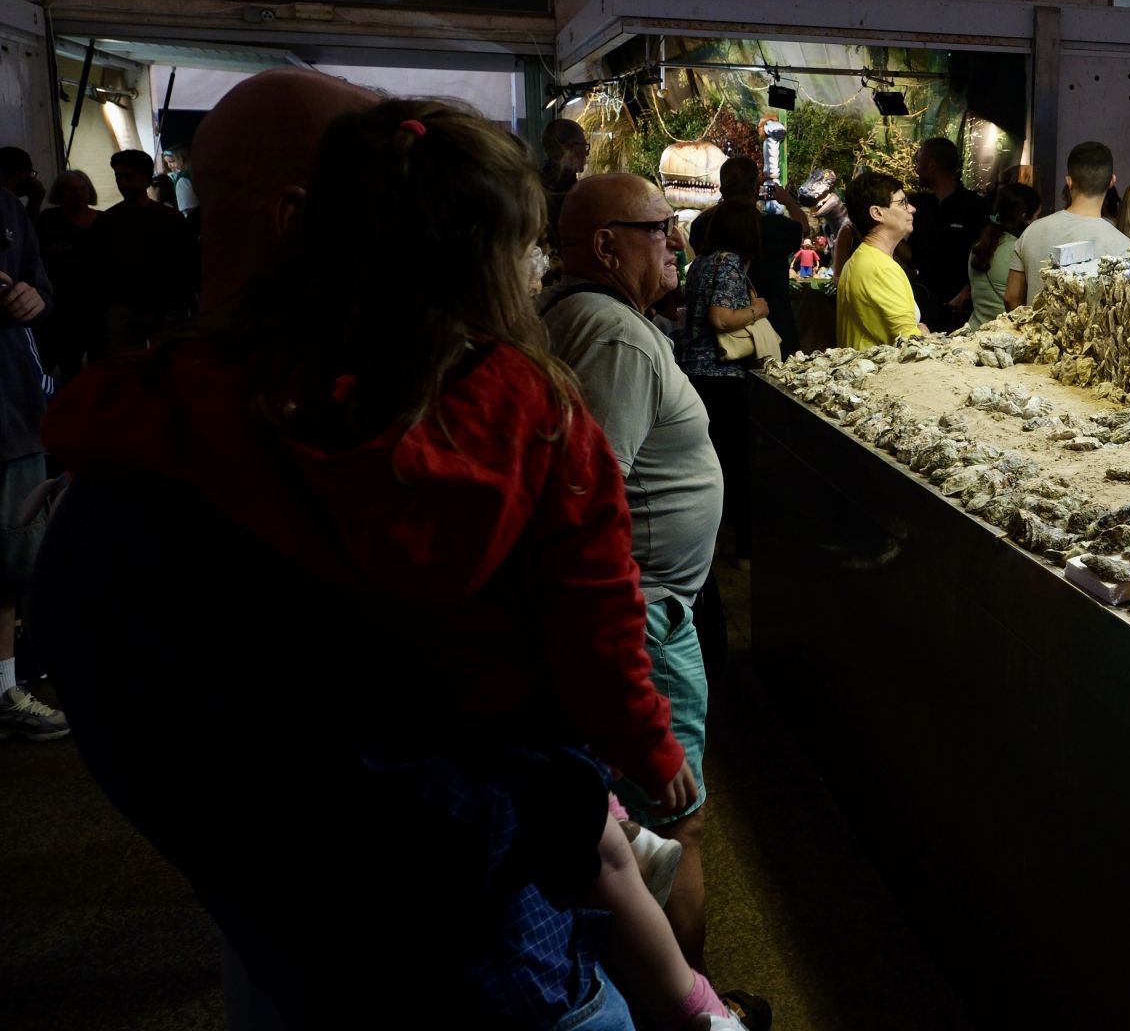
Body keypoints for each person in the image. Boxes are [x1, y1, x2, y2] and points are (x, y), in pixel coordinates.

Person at [34, 73, 724, 1030]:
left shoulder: (175, 431)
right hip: (478, 955)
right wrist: (569, 790)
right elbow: (586, 625)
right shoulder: (530, 411)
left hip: (321, 951)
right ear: (302, 221)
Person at [540, 172, 726, 976]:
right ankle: (686, 1000)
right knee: (676, 821)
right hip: (645, 615)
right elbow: (590, 504)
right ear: (607, 245)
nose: (677, 240)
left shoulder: (593, 318)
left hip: (644, 609)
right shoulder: (613, 337)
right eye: (659, 228)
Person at [0, 169, 65, 743]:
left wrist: (32, 297)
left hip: (11, 416)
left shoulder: (5, 208)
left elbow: (41, 290)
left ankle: (3, 688)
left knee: (13, 564)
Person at [677, 202, 766, 563]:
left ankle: (711, 540)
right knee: (735, 461)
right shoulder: (728, 262)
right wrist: (760, 309)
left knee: (708, 459)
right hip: (723, 373)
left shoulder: (700, 262)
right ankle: (741, 546)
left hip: (694, 374)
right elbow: (722, 319)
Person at [690, 157, 808, 356]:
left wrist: (726, 202)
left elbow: (697, 231)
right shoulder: (774, 227)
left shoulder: (704, 227)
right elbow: (803, 228)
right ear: (756, 188)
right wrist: (787, 200)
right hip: (773, 332)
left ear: (722, 189)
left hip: (721, 345)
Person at [1003, 141, 1130, 311]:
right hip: (1090, 338)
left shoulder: (1032, 231)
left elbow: (1011, 297)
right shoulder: (1123, 246)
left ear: (1069, 181)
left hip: (1033, 336)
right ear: (1112, 181)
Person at [93, 149, 194, 353]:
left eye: (129, 176)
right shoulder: (108, 220)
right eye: (119, 177)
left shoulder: (170, 219)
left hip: (164, 308)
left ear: (147, 179)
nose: (122, 183)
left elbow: (187, 263)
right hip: (127, 308)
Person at [836, 170, 927, 349]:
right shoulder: (880, 268)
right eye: (903, 203)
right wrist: (923, 333)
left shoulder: (863, 259)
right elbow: (913, 345)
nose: (912, 208)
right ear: (877, 213)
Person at [905, 137, 987, 333]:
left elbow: (986, 255)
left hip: (961, 313)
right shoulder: (919, 206)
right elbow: (912, 256)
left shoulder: (975, 206)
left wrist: (967, 291)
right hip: (923, 307)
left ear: (932, 165)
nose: (916, 168)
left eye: (918, 161)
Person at [36, 170, 108, 379]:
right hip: (65, 301)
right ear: (60, 193)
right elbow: (34, 251)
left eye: (83, 188)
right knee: (69, 361)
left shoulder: (103, 220)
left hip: (98, 300)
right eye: (71, 189)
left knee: (100, 359)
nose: (78, 194)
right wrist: (52, 250)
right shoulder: (50, 219)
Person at [966, 183, 1040, 329]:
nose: (1039, 222)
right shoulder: (1018, 250)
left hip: (976, 330)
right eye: (1038, 216)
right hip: (1005, 337)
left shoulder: (979, 247)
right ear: (1025, 218)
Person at [541, 117, 590, 244]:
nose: (587, 154)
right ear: (570, 148)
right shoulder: (570, 192)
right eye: (584, 147)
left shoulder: (537, 183)